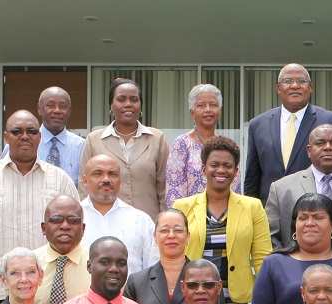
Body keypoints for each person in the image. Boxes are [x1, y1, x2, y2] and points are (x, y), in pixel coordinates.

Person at [0, 110, 79, 304]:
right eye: (17, 131)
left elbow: (75, 236)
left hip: (47, 293)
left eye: (31, 131)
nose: (25, 136)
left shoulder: (60, 180)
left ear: (40, 137)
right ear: (6, 137)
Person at [173, 136, 272, 304]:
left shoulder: (253, 207)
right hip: (193, 299)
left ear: (235, 171)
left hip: (236, 302)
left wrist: (269, 297)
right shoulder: (182, 207)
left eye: (227, 166)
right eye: (214, 164)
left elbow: (262, 258)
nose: (221, 170)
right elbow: (173, 255)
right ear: (204, 169)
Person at [244, 63, 332, 203]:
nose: (295, 86)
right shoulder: (258, 125)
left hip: (315, 210)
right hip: (269, 211)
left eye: (301, 81)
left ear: (310, 88)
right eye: (287, 81)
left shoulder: (331, 121)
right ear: (279, 88)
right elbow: (252, 178)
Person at [79, 77, 170, 221]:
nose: (128, 104)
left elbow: (165, 188)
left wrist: (165, 223)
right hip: (105, 222)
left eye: (134, 99)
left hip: (148, 224)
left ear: (140, 104)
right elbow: (84, 188)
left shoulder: (157, 139)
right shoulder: (94, 140)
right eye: (121, 99)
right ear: (111, 104)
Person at [166, 84, 242, 207]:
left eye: (213, 105)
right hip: (191, 220)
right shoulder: (181, 144)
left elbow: (236, 187)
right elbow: (174, 192)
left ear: (220, 111)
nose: (208, 109)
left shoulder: (226, 146)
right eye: (201, 105)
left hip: (225, 219)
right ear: (192, 113)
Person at [80, 154, 156, 274]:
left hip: (129, 293)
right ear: (85, 181)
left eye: (112, 174)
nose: (106, 179)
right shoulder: (73, 220)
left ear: (120, 181)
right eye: (98, 173)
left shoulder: (141, 220)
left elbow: (153, 271)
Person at [0, 87, 87, 186]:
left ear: (69, 110)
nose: (57, 111)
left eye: (63, 106)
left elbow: (85, 187)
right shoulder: (17, 143)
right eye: (51, 105)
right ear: (39, 109)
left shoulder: (81, 146)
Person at [33, 196, 90, 304]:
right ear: (44, 228)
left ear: (83, 229)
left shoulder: (98, 265)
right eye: (57, 219)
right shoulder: (29, 264)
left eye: (73, 220)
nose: (65, 226)